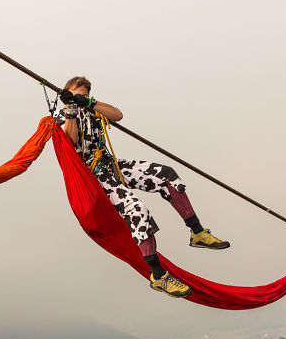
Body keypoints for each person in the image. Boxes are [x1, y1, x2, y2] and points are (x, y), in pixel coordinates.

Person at [58, 76, 230, 298]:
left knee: (167, 175)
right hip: (93, 177)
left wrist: (88, 103)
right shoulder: (62, 115)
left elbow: (117, 115)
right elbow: (68, 144)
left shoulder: (93, 108)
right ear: (68, 91)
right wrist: (71, 108)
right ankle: (159, 276)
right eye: (79, 93)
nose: (84, 97)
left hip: (112, 167)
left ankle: (197, 232)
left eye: (86, 94)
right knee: (137, 209)